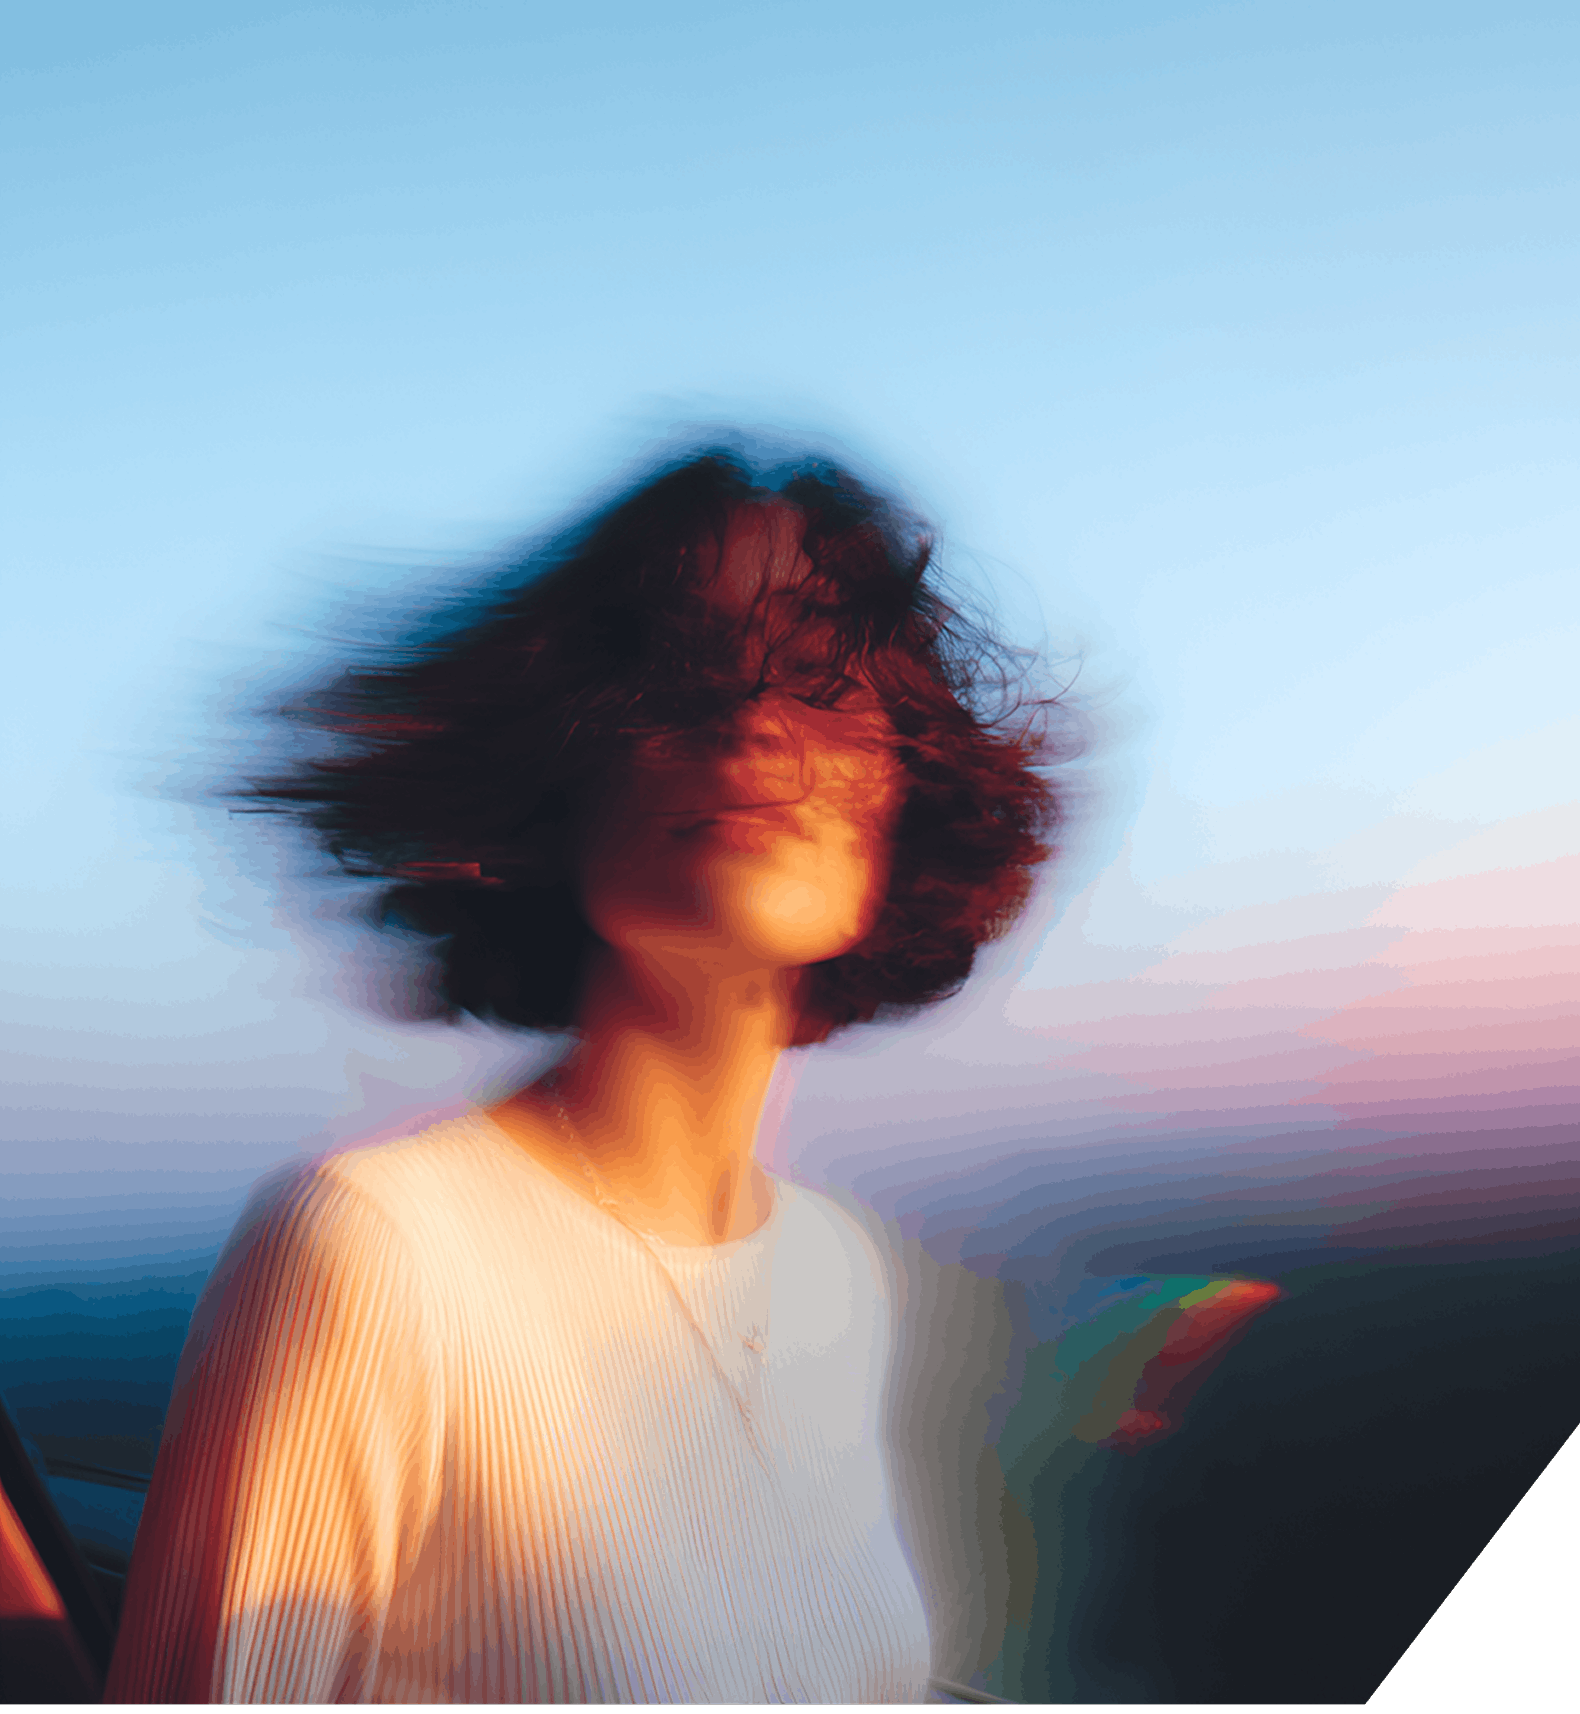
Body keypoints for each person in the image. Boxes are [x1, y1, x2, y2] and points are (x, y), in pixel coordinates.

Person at [103, 444, 1066, 1703]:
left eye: (826, 669)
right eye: (682, 667)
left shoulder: (838, 1275)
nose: (754, 713)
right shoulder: (376, 1252)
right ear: (564, 779)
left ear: (905, 784)